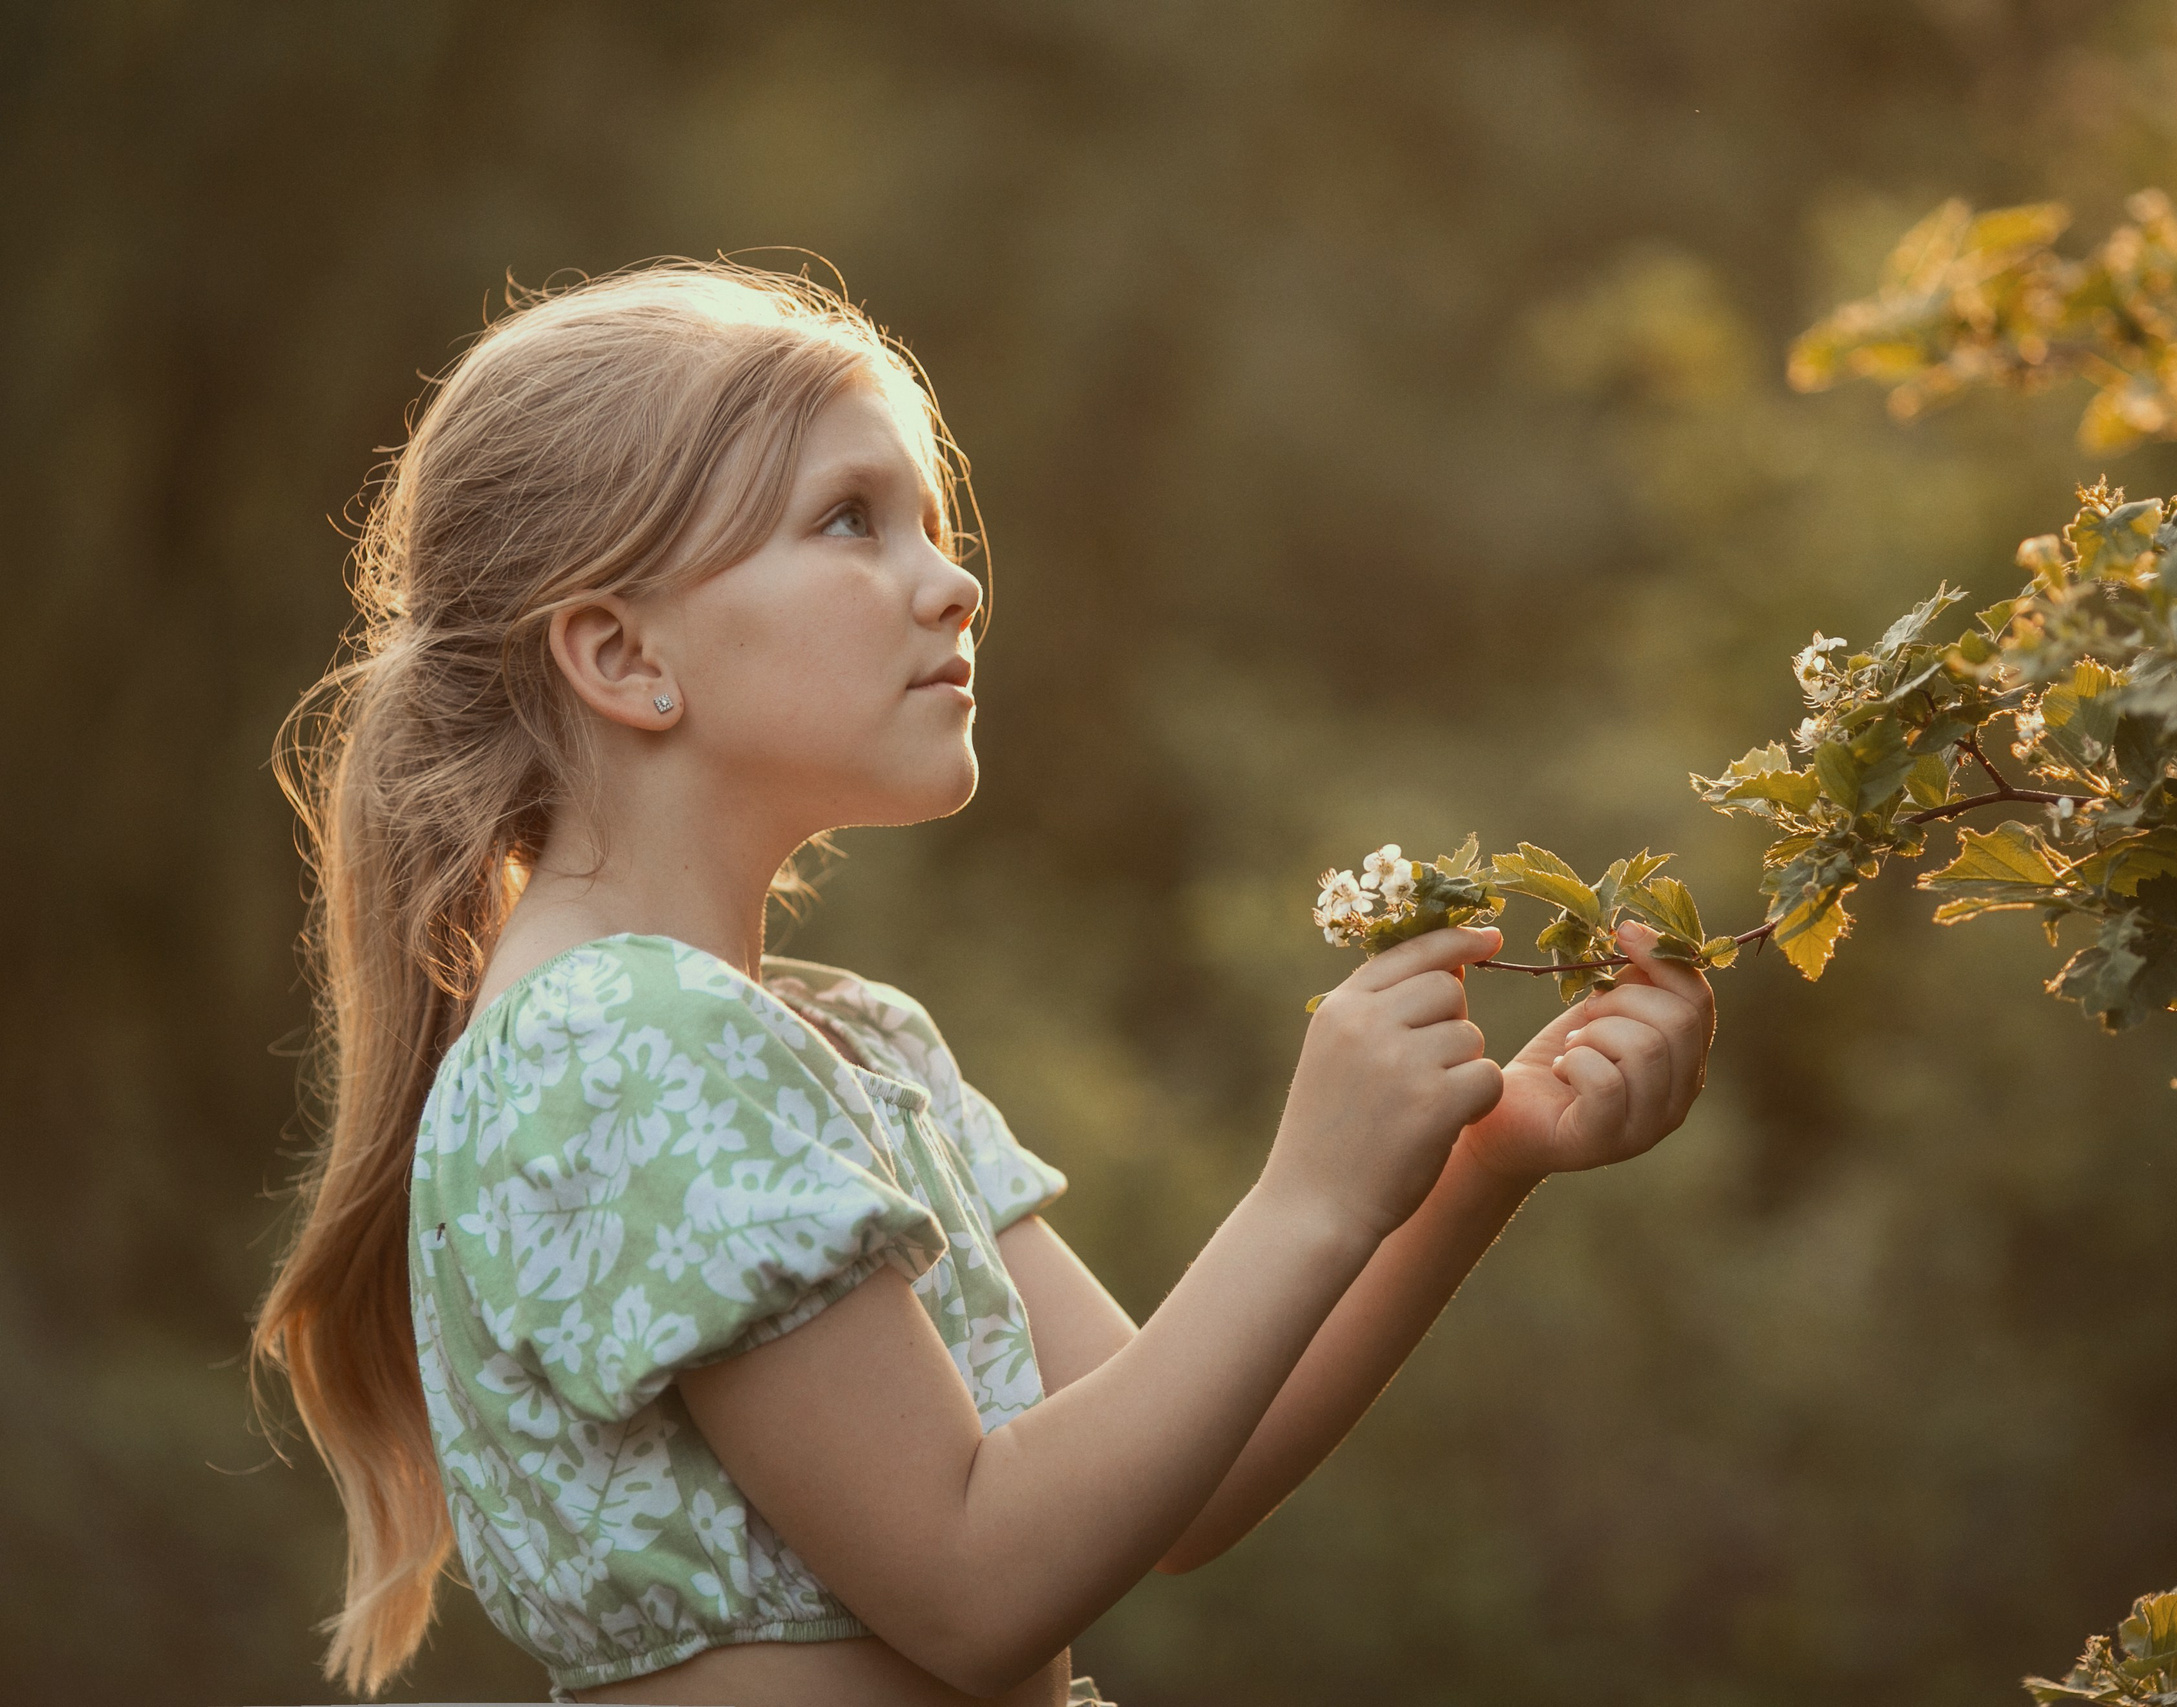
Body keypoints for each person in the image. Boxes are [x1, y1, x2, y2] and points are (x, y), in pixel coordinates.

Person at [251, 261, 1716, 1707]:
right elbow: (977, 1591)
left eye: (933, 527)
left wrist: (1477, 1162)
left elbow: (1176, 1484)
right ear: (624, 653)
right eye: (847, 521)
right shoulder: (622, 1043)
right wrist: (1310, 1191)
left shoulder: (841, 1042)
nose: (953, 585)